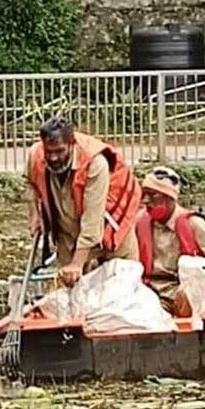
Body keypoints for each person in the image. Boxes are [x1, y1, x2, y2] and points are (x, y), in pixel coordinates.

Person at [24, 117, 141, 287]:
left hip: (111, 232)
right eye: (49, 152)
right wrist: (34, 214)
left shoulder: (95, 163)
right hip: (68, 234)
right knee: (68, 294)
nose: (54, 158)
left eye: (59, 151)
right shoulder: (36, 155)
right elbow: (30, 183)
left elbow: (92, 221)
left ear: (71, 144)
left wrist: (77, 264)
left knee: (121, 293)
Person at [135, 166, 205, 316]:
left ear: (169, 197)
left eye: (152, 195)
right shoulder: (139, 221)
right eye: (144, 195)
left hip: (182, 289)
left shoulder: (192, 223)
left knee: (186, 295)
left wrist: (199, 267)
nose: (145, 200)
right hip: (150, 290)